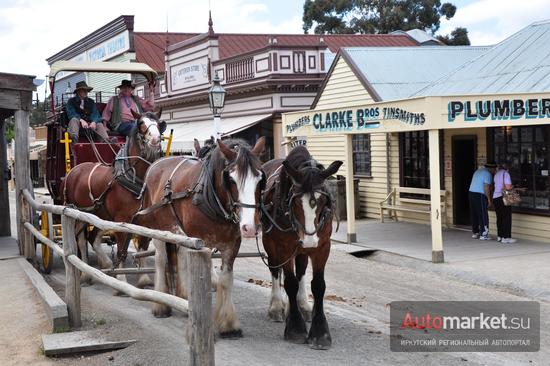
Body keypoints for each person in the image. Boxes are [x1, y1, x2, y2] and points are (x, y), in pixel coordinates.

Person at [469, 161, 497, 240]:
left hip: (471, 193)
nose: (494, 171)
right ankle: (484, 234)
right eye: (494, 169)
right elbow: (486, 188)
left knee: (474, 213)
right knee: (483, 214)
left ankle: (475, 232)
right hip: (480, 194)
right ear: (491, 168)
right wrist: (489, 200)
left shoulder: (478, 171)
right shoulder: (487, 174)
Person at [493, 164, 516, 244]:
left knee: (499, 217)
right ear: (507, 168)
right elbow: (508, 187)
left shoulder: (496, 174)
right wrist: (513, 187)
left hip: (495, 197)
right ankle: (506, 238)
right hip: (503, 198)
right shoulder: (506, 174)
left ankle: (500, 236)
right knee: (506, 217)